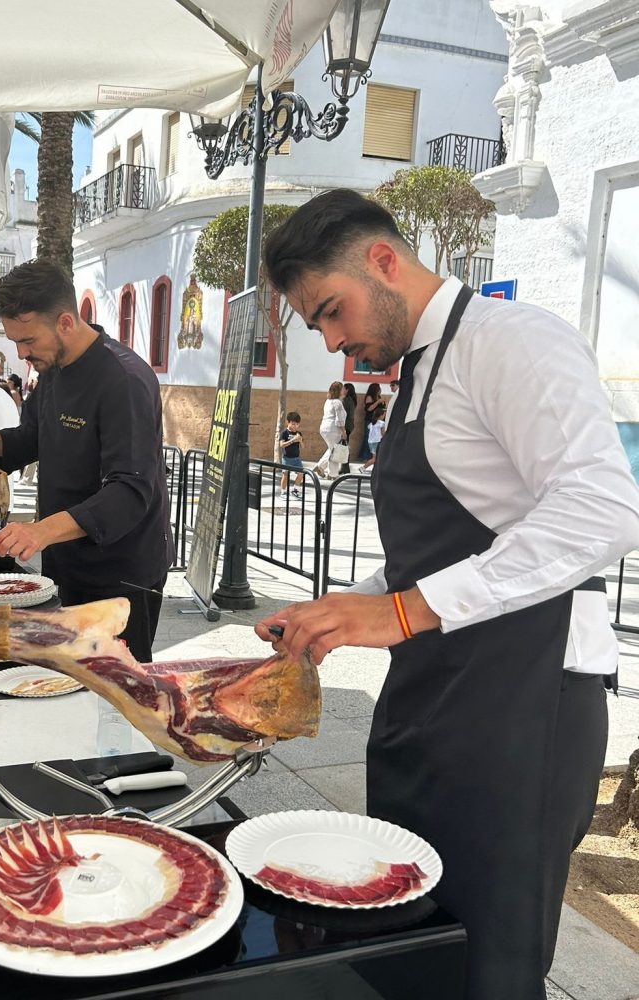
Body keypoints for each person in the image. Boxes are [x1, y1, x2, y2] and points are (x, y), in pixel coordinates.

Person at [255, 188, 639, 1000]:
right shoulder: (422, 369)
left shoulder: (514, 341)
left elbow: (602, 511)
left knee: (488, 967)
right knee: (413, 939)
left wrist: (401, 612)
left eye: (332, 310)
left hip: (523, 707)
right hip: (434, 699)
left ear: (384, 261)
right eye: (317, 326)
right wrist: (343, 608)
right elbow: (435, 551)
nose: (332, 342)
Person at [0, 260, 174, 662]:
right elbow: (37, 435)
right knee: (66, 677)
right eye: (14, 341)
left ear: (66, 322)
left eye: (28, 340)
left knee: (115, 688)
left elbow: (131, 490)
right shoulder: (52, 370)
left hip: (122, 571)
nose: (21, 353)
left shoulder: (124, 380)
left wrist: (40, 531)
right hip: (65, 559)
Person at [314, 380, 346, 479]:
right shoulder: (338, 403)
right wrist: (343, 431)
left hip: (325, 428)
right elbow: (339, 419)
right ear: (339, 390)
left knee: (332, 449)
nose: (344, 390)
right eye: (342, 388)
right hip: (333, 429)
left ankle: (320, 466)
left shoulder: (328, 401)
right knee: (335, 451)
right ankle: (333, 474)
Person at [277, 411, 304, 498]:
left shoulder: (298, 433)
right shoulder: (284, 433)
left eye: (297, 424)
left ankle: (295, 489)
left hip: (296, 458)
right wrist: (292, 440)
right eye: (293, 424)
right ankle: (283, 492)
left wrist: (300, 440)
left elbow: (303, 446)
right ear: (288, 422)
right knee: (285, 475)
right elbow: (282, 445)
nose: (295, 426)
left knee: (301, 474)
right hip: (287, 458)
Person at [358, 382, 384, 462]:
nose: (380, 390)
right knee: (368, 438)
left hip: (378, 421)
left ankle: (372, 457)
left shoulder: (379, 397)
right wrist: (378, 402)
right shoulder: (369, 397)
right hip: (370, 420)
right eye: (379, 388)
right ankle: (364, 456)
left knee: (375, 439)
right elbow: (369, 409)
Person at [340, 382, 357, 473]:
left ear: (347, 390)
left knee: (343, 447)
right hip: (349, 426)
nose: (342, 390)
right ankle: (345, 467)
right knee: (344, 446)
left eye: (343, 388)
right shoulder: (351, 400)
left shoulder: (346, 400)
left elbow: (342, 414)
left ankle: (345, 468)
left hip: (346, 426)